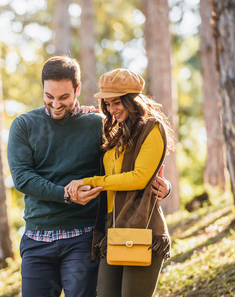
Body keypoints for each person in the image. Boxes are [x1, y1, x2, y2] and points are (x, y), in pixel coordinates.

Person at [7, 56, 171, 297]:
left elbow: (131, 165)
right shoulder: (23, 125)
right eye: (49, 96)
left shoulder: (99, 124)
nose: (55, 104)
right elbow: (22, 178)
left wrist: (163, 185)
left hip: (83, 239)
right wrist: (65, 194)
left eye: (63, 97)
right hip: (37, 239)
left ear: (78, 89)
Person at [65, 68, 176, 297]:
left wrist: (92, 182)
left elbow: (139, 178)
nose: (111, 110)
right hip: (111, 227)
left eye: (116, 102)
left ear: (132, 100)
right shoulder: (116, 133)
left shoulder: (151, 127)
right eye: (106, 104)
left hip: (141, 225)